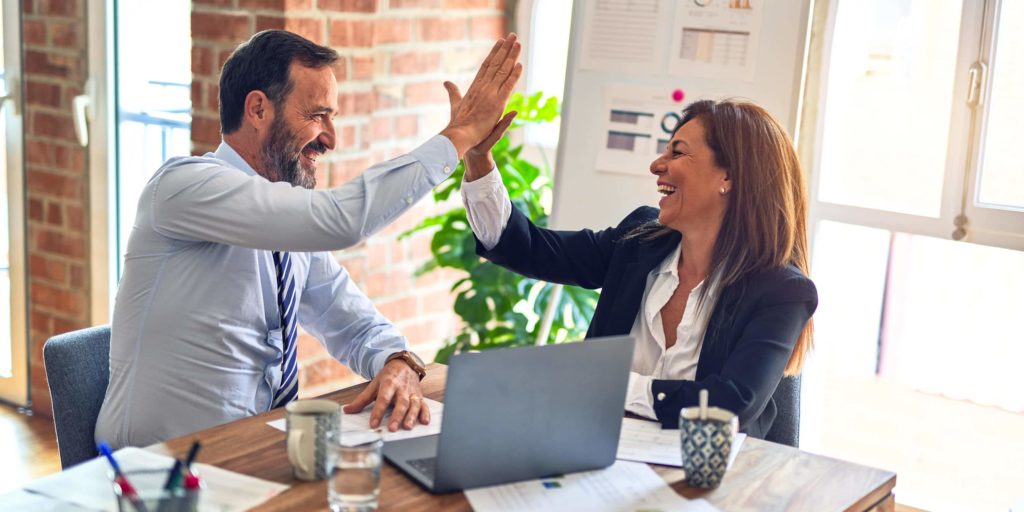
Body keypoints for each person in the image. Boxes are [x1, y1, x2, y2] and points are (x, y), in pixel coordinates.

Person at [95, 29, 522, 448]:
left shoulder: (287, 228)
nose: (331, 138)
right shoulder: (184, 187)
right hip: (156, 472)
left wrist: (397, 361)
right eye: (318, 115)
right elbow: (342, 220)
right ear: (258, 110)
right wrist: (460, 135)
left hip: (252, 455)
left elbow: (352, 322)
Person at [460, 99, 817, 438]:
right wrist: (478, 158)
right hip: (597, 454)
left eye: (677, 152)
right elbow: (528, 248)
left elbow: (729, 406)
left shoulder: (782, 291)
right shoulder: (639, 242)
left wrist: (608, 384)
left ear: (728, 177)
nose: (657, 165)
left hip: (708, 484)